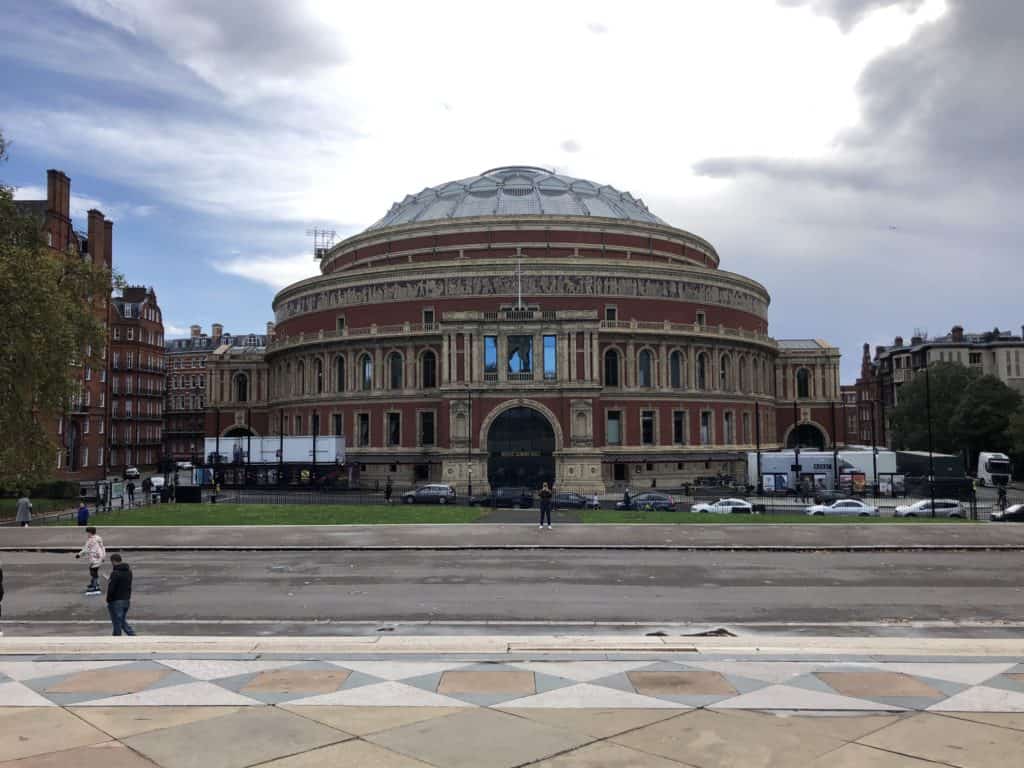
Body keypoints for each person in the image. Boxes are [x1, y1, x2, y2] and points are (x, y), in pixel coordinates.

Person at [106, 553, 135, 636]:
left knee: (118, 622)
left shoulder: (115, 573)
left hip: (116, 601)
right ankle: (119, 636)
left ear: (113, 561)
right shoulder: (129, 572)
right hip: (126, 600)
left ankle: (131, 635)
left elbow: (112, 588)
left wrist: (108, 599)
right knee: (120, 621)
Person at [76, 526, 106, 594]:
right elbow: (102, 547)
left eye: (87, 533)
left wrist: (79, 555)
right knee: (93, 570)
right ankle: (93, 583)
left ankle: (96, 586)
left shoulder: (91, 540)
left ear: (90, 532)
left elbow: (85, 549)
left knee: (93, 572)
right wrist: (104, 556)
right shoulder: (99, 538)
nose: (87, 534)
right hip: (99, 557)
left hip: (95, 558)